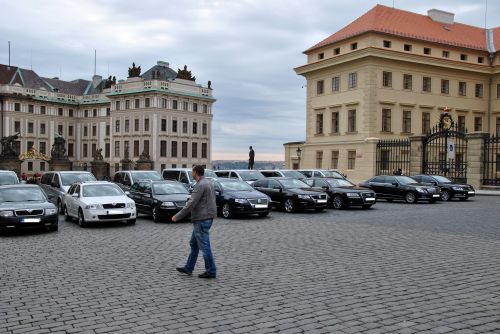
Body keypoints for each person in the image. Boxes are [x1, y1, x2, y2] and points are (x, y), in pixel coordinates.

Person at [172, 165, 217, 279]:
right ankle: (189, 267)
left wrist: (178, 216)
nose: (192, 173)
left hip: (201, 219)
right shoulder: (208, 182)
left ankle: (211, 271)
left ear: (195, 172)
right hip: (207, 217)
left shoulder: (200, 185)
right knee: (194, 244)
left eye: (192, 171)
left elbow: (191, 204)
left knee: (205, 247)